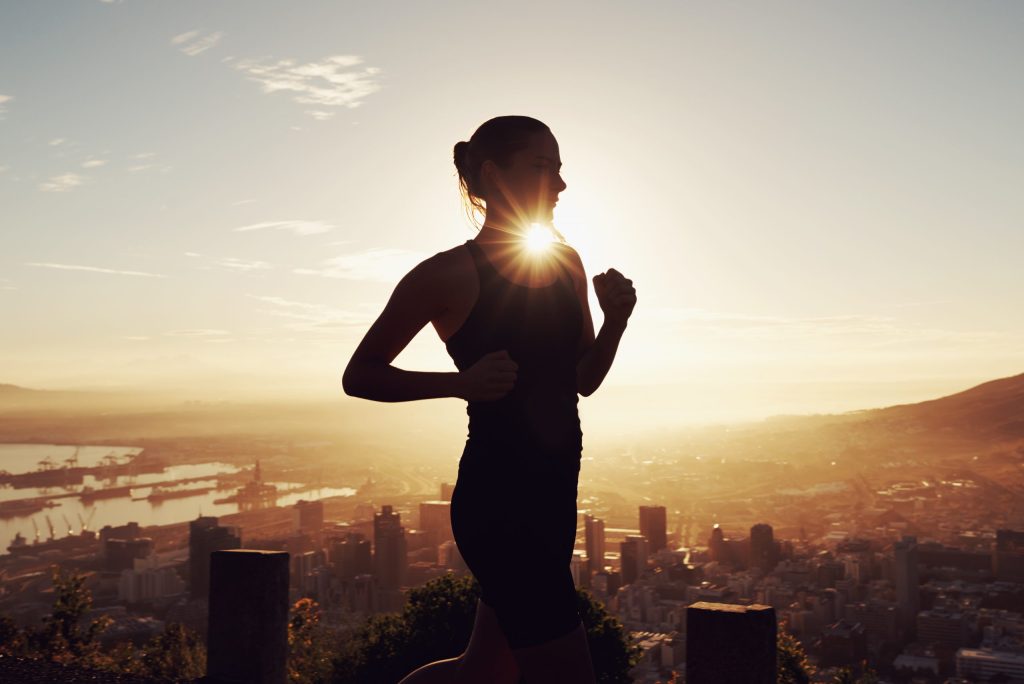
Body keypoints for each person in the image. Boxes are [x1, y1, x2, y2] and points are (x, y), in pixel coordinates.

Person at [342, 115, 636, 683]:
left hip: (552, 499)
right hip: (501, 504)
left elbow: (582, 379)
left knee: (480, 670)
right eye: (542, 166)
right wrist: (459, 383)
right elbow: (361, 375)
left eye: (560, 168)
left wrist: (616, 322)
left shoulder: (565, 261)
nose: (560, 183)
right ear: (494, 175)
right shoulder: (446, 274)